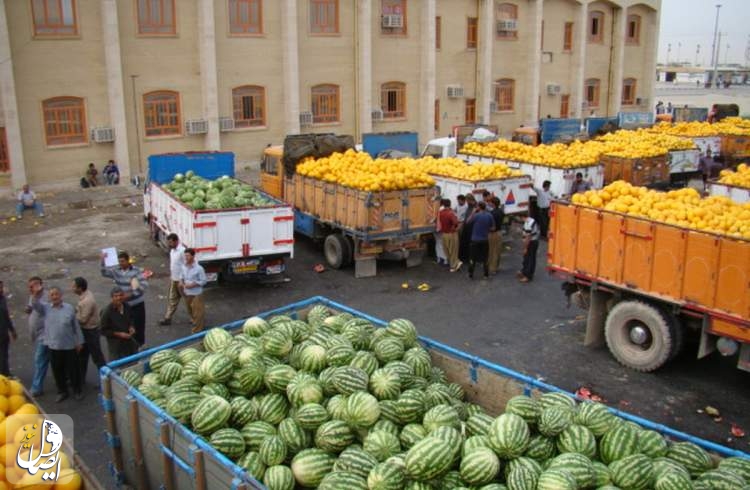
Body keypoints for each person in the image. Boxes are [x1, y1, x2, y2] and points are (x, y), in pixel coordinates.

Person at [32, 287, 84, 402]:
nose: (54, 297)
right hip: (53, 346)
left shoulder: (69, 308)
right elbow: (35, 304)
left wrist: (79, 341)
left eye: (56, 294)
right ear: (49, 297)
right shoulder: (45, 308)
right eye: (52, 295)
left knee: (73, 370)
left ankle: (77, 391)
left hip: (69, 345)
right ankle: (62, 391)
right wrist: (35, 294)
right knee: (57, 370)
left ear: (61, 295)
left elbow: (76, 327)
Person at [101, 251, 148, 346]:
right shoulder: (116, 271)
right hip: (125, 307)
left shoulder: (136, 271)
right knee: (127, 328)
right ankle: (131, 351)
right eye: (119, 261)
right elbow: (104, 272)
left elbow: (144, 286)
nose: (121, 263)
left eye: (123, 261)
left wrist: (131, 294)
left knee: (139, 328)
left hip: (137, 305)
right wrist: (103, 260)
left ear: (128, 261)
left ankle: (140, 348)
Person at [72, 277, 105, 384]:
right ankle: (81, 379)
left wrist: (73, 315)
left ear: (80, 288)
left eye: (74, 286)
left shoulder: (87, 301)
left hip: (90, 331)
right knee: (82, 356)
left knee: (97, 357)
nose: (72, 288)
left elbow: (83, 319)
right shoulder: (85, 295)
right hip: (86, 331)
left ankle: (105, 380)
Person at [100, 287, 138, 361]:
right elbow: (102, 330)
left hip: (129, 344)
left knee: (132, 364)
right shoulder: (107, 312)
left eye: (120, 295)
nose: (118, 298)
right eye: (116, 296)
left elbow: (131, 318)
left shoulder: (127, 306)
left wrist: (131, 326)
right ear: (112, 298)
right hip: (116, 347)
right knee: (118, 367)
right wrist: (119, 334)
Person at [26, 276, 49, 396]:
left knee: (40, 360)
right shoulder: (33, 296)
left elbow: (40, 308)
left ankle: (36, 388)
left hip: (45, 336)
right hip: (38, 335)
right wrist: (28, 309)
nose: (31, 289)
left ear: (40, 285)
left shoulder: (46, 297)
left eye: (33, 286)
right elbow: (31, 306)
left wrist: (35, 296)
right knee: (49, 360)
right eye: (30, 287)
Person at [158, 234, 186, 326]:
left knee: (188, 300)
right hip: (174, 279)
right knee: (172, 299)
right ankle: (167, 318)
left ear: (176, 241)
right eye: (168, 242)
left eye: (171, 242)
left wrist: (182, 279)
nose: (169, 244)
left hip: (182, 281)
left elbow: (186, 266)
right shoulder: (172, 251)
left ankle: (195, 318)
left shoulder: (182, 251)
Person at [180, 249, 207, 333]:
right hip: (187, 293)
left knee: (198, 312)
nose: (186, 257)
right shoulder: (183, 266)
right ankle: (194, 321)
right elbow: (181, 276)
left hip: (196, 293)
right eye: (185, 256)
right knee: (190, 310)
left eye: (188, 256)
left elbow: (204, 281)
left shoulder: (199, 268)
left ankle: (197, 330)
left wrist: (193, 284)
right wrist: (181, 282)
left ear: (193, 256)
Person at [466, 202, 495, 280]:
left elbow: (467, 222)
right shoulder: (489, 215)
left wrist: (472, 213)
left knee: (472, 258)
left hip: (475, 240)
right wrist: (486, 229)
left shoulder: (476, 216)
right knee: (485, 258)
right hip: (485, 240)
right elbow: (493, 228)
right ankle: (486, 274)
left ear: (478, 207)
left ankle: (470, 274)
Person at [438, 199, 461, 272]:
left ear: (443, 205)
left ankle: (454, 263)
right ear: (450, 204)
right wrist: (455, 228)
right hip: (451, 234)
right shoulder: (451, 213)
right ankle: (454, 265)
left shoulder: (440, 213)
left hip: (444, 234)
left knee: (447, 250)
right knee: (453, 250)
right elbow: (455, 223)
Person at [0, 280, 18, 376]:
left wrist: (12, 330)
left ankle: (5, 374)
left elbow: (6, 315)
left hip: (3, 333)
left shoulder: (2, 299)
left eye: (2, 287)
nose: (1, 290)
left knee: (4, 355)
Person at [518, 216, 541, 283]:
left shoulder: (529, 223)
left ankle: (528, 276)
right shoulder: (530, 220)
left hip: (531, 243)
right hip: (532, 242)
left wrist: (525, 248)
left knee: (530, 259)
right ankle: (524, 271)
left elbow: (528, 237)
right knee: (526, 258)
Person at [488, 197, 504, 275]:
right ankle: (496, 267)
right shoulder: (501, 211)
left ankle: (492, 268)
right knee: (497, 251)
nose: (489, 203)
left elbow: (490, 225)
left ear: (493, 204)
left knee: (492, 251)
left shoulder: (491, 213)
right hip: (499, 233)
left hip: (493, 233)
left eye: (490, 202)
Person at [459, 194, 477, 263]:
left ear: (469, 200)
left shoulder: (475, 207)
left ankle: (468, 258)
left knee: (468, 243)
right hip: (467, 227)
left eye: (467, 200)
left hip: (470, 228)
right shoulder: (470, 206)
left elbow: (470, 217)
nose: (466, 202)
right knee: (465, 242)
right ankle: (466, 258)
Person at [434, 201, 448, 266]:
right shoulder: (443, 209)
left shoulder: (433, 208)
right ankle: (445, 259)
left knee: (438, 243)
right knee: (443, 244)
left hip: (435, 228)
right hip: (442, 228)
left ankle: (439, 258)